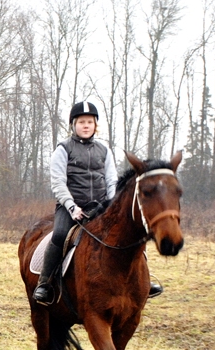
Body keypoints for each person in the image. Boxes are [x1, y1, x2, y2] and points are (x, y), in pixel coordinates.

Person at [33, 101, 163, 304]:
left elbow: (111, 180)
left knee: (131, 232)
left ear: (95, 125)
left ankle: (145, 279)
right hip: (71, 207)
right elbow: (58, 182)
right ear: (73, 125)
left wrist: (112, 205)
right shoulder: (63, 149)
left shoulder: (104, 150)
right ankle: (45, 283)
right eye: (81, 122)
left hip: (101, 207)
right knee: (59, 235)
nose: (86, 125)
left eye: (90, 122)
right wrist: (72, 206)